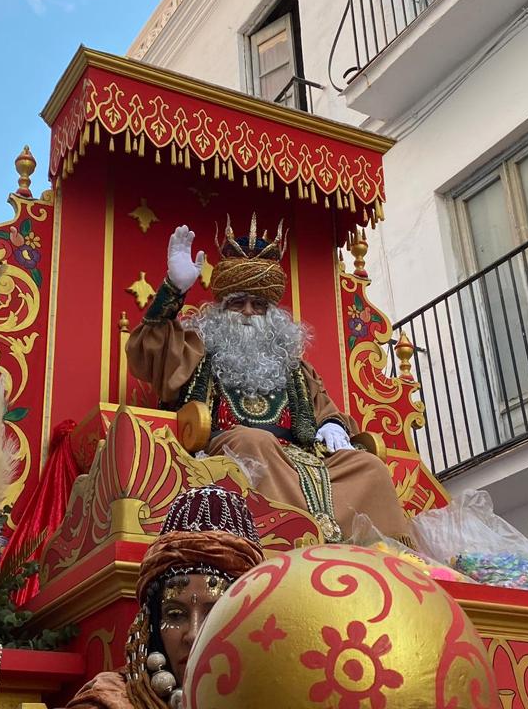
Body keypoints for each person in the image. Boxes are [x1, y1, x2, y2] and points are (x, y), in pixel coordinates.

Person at [126, 215, 411, 544]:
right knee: (254, 442)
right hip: (228, 451)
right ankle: (285, 542)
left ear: (272, 314)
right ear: (221, 308)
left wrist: (332, 424)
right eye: (237, 303)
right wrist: (173, 290)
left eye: (258, 305)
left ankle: (383, 556)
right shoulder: (196, 350)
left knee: (368, 467)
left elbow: (325, 410)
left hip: (298, 459)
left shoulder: (293, 367)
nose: (248, 312)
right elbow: (148, 349)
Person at [66, 485, 265, 709]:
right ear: (150, 624)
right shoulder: (109, 701)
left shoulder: (284, 694)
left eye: (216, 615)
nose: (193, 634)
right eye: (175, 615)